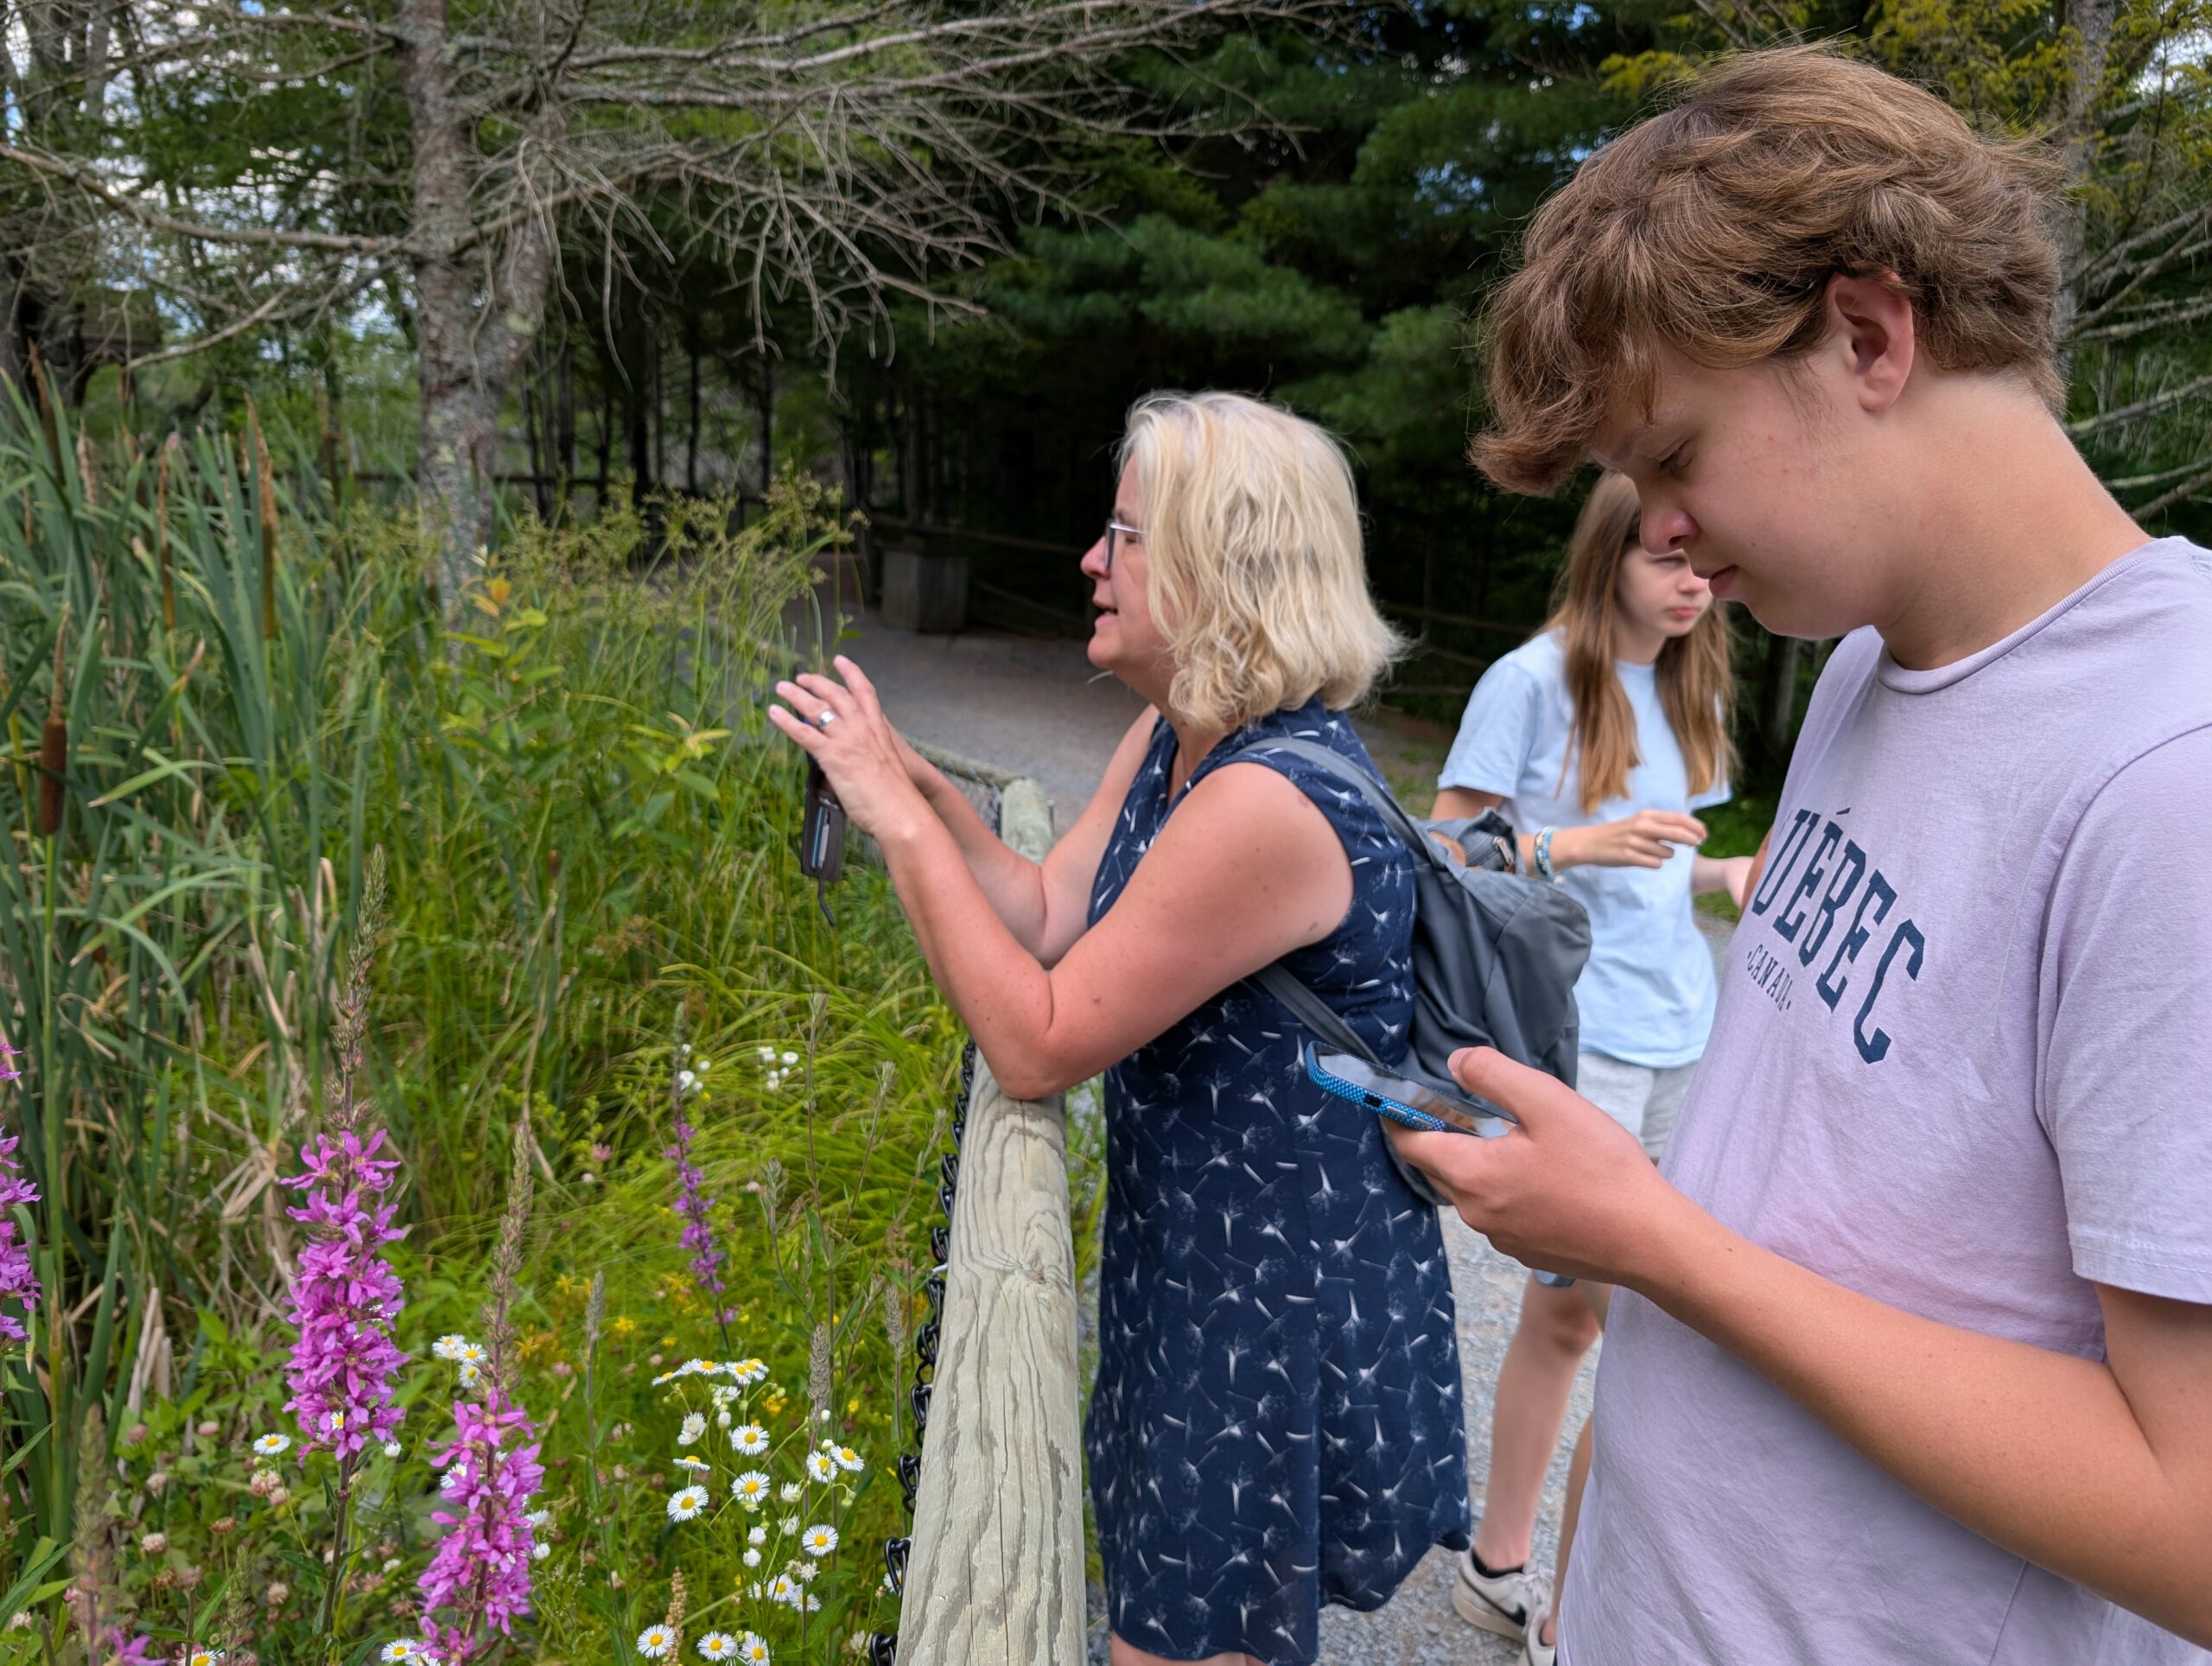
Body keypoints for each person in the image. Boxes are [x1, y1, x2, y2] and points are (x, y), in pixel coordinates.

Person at [1387, 43, 2212, 1664]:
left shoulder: (2172, 781)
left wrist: (1646, 1239)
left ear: (1868, 335)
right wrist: (1600, 1538)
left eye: (1673, 456)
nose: (1656, 526)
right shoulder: (1865, 666)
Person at [769, 391, 1470, 1666]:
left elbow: (1037, 1039)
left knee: (1176, 1640)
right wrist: (908, 778)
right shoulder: (1176, 733)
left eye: (1125, 535)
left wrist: (902, 823)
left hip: (1271, 1302)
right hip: (1193, 1262)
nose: (1091, 561)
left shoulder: (1269, 802)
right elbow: (1047, 914)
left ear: (1217, 568)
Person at [1430, 469, 1751, 1663]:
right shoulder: (1530, 679)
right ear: (1609, 552)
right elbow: (1445, 849)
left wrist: (1727, 875)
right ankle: (1566, 1611)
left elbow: (1663, 869)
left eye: (1704, 562)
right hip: (1582, 1046)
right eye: (1669, 557)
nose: (1692, 582)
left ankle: (1503, 1573)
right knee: (1644, 1335)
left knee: (1578, 1322)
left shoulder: (1691, 680)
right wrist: (1573, 842)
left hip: (1686, 1035)